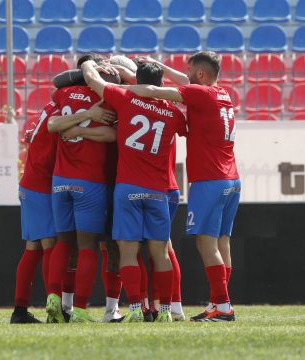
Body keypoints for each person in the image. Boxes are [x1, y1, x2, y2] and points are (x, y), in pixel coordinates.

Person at [128, 51, 240, 322]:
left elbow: (156, 90)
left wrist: (118, 87)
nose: (185, 75)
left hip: (209, 180)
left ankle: (223, 306)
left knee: (207, 244)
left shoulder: (200, 94)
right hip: (231, 179)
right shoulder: (223, 94)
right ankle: (219, 303)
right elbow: (182, 81)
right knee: (223, 242)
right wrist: (159, 65)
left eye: (190, 71)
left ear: (200, 74)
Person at [81, 60, 187, 322]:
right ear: (161, 83)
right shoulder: (173, 113)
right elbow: (187, 126)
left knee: (128, 253)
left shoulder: (125, 97)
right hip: (158, 190)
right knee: (161, 253)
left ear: (135, 80)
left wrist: (90, 63)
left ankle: (137, 309)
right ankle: (165, 312)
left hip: (127, 188)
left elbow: (94, 81)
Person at [45, 67, 120, 323]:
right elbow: (112, 134)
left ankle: (54, 300)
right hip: (89, 181)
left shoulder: (63, 94)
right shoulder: (105, 97)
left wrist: (77, 127)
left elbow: (52, 125)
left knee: (63, 243)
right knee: (87, 247)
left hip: (60, 180)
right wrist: (88, 118)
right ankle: (80, 309)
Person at [10, 100, 60, 324]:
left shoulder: (51, 106)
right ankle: (53, 310)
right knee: (50, 245)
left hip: (30, 185)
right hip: (41, 187)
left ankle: (19, 310)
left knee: (33, 248)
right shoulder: (64, 112)